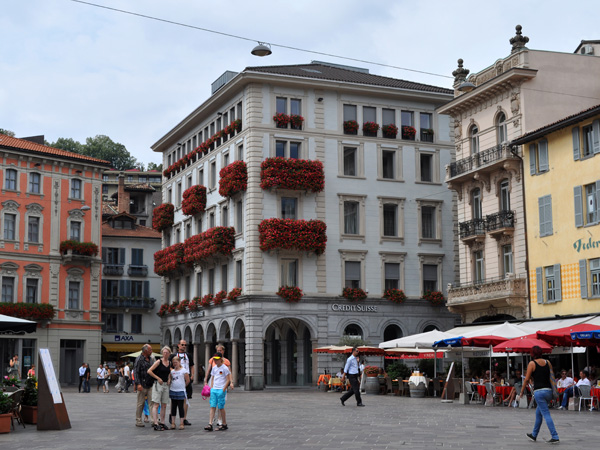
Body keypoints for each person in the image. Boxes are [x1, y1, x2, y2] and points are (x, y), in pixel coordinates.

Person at [517, 346, 559, 444]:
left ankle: (555, 436)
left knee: (546, 413)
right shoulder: (548, 362)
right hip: (548, 391)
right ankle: (534, 434)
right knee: (538, 413)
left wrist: (521, 391)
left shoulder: (532, 363)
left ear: (532, 353)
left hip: (539, 392)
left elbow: (526, 379)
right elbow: (551, 376)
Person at [204, 343, 232, 426]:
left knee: (221, 406)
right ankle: (210, 422)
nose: (215, 361)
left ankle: (222, 421)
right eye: (214, 359)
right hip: (214, 388)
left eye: (216, 359)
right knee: (212, 405)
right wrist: (210, 385)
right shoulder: (214, 367)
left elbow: (228, 377)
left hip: (221, 388)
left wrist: (224, 388)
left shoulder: (225, 366)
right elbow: (212, 376)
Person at [147, 346, 172, 431]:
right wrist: (158, 378)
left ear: (169, 353)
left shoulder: (169, 363)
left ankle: (162, 422)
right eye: (164, 352)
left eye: (167, 352)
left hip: (165, 385)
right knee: (156, 404)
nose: (165, 354)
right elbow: (149, 371)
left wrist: (169, 378)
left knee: (164, 404)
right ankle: (156, 423)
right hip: (158, 384)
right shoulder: (158, 362)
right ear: (162, 353)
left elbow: (169, 372)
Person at [170, 339, 194, 426]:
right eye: (182, 344)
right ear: (178, 345)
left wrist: (192, 375)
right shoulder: (173, 355)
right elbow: (169, 366)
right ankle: (172, 416)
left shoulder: (188, 355)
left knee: (185, 398)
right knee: (174, 399)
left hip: (186, 377)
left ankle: (184, 418)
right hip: (176, 378)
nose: (184, 346)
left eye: (185, 345)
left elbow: (192, 366)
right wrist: (173, 372)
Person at [133, 344, 155, 427]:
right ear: (145, 351)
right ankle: (138, 420)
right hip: (142, 384)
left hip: (150, 384)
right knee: (140, 403)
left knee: (152, 403)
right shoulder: (139, 359)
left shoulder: (151, 359)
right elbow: (136, 372)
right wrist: (138, 384)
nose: (151, 351)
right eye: (150, 350)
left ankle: (153, 420)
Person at [169, 355, 190, 430]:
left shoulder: (184, 370)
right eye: (173, 363)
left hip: (181, 391)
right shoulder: (172, 371)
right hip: (173, 390)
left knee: (181, 407)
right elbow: (170, 380)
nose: (175, 364)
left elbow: (187, 380)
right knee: (173, 407)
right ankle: (173, 423)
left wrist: (183, 386)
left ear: (179, 362)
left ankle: (181, 423)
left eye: (176, 362)